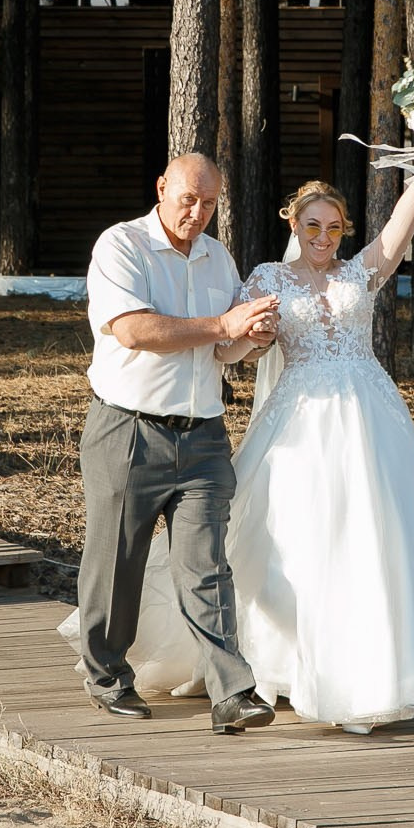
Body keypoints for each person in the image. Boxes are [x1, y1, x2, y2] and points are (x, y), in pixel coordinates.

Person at [225, 144, 414, 732]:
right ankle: (280, 664)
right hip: (301, 418)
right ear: (294, 223)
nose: (323, 236)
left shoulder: (362, 273)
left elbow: (402, 225)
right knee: (300, 531)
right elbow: (236, 348)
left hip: (371, 419)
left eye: (334, 227)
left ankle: (363, 675)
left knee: (368, 536)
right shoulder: (267, 278)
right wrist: (252, 337)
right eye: (313, 226)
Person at [73, 152, 284, 735]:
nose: (197, 212)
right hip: (129, 430)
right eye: (188, 198)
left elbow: (224, 351)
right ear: (162, 186)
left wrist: (255, 339)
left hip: (204, 437)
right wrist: (226, 324)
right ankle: (108, 676)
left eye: (210, 202)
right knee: (118, 562)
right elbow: (135, 330)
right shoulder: (122, 245)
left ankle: (233, 693)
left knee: (207, 567)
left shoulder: (218, 257)